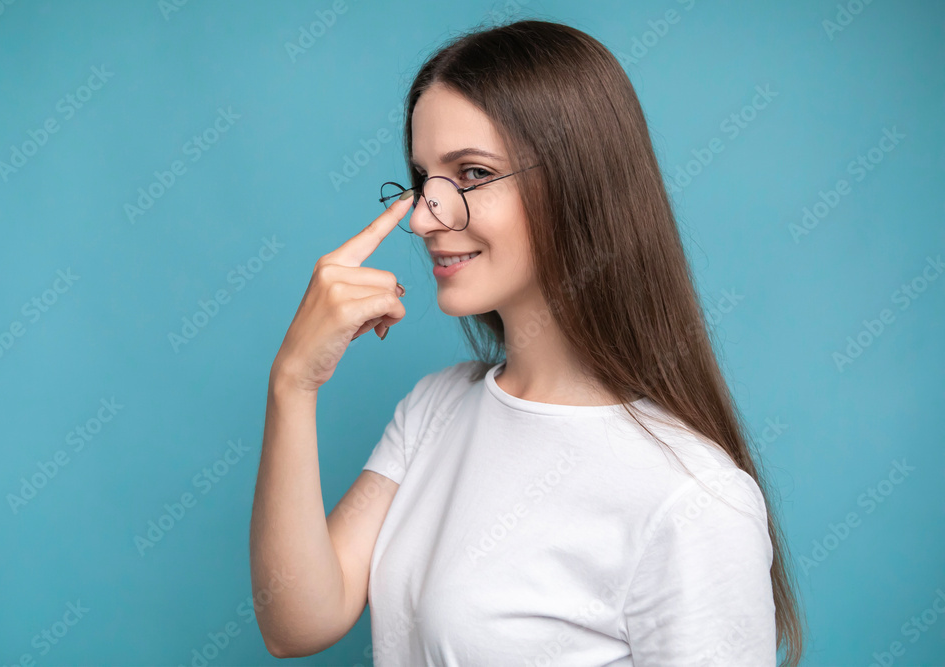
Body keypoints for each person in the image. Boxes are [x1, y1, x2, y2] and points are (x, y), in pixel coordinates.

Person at [249, 18, 805, 667]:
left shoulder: (693, 498)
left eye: (473, 173)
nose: (427, 217)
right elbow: (296, 621)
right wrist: (292, 382)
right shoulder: (434, 410)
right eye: (423, 178)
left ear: (578, 183)